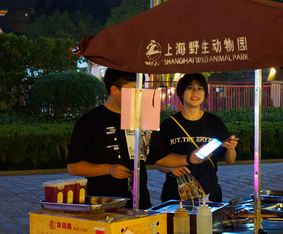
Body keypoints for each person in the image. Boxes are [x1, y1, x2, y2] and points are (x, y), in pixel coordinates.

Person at [66, 68, 200, 209]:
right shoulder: (91, 120)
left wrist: (190, 158)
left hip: (140, 203)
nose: (138, 95)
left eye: (140, 90)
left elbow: (160, 156)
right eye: (133, 90)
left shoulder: (143, 118)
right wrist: (108, 169)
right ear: (114, 90)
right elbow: (73, 167)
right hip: (104, 204)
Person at [154, 73, 238, 203]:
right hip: (176, 195)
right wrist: (171, 169)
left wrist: (231, 148)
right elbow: (158, 163)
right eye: (190, 88)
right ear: (181, 93)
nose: (195, 92)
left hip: (209, 194)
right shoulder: (169, 125)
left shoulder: (214, 122)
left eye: (200, 88)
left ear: (205, 95)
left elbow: (230, 160)